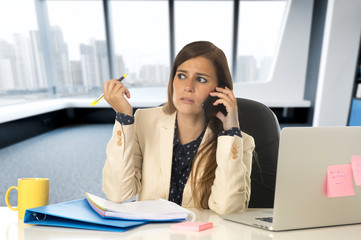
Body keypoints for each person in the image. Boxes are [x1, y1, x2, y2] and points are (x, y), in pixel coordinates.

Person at [102, 41, 255, 215]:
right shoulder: (144, 122)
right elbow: (117, 193)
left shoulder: (239, 142)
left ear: (220, 89)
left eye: (201, 79)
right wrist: (124, 117)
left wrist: (230, 131)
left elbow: (228, 208)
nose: (188, 87)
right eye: (181, 76)